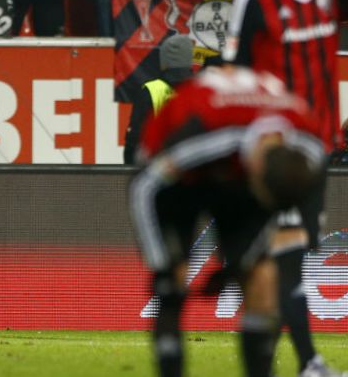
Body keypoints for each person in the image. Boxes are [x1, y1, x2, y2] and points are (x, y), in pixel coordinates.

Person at [221, 0, 348, 376]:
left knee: (292, 258)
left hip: (316, 151)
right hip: (275, 150)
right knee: (283, 258)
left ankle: (302, 363)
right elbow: (234, 77)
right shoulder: (257, 0)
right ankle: (306, 364)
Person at [130, 65, 326, 377]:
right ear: (257, 168)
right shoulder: (202, 131)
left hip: (240, 178)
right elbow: (144, 187)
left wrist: (235, 266)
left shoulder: (308, 141)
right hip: (181, 179)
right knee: (173, 282)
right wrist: (161, 263)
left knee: (261, 280)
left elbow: (275, 204)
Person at [123, 35, 193, 164]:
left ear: (163, 60)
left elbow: (135, 139)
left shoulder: (150, 90)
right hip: (196, 169)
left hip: (159, 169)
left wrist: (130, 172)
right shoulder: (201, 88)